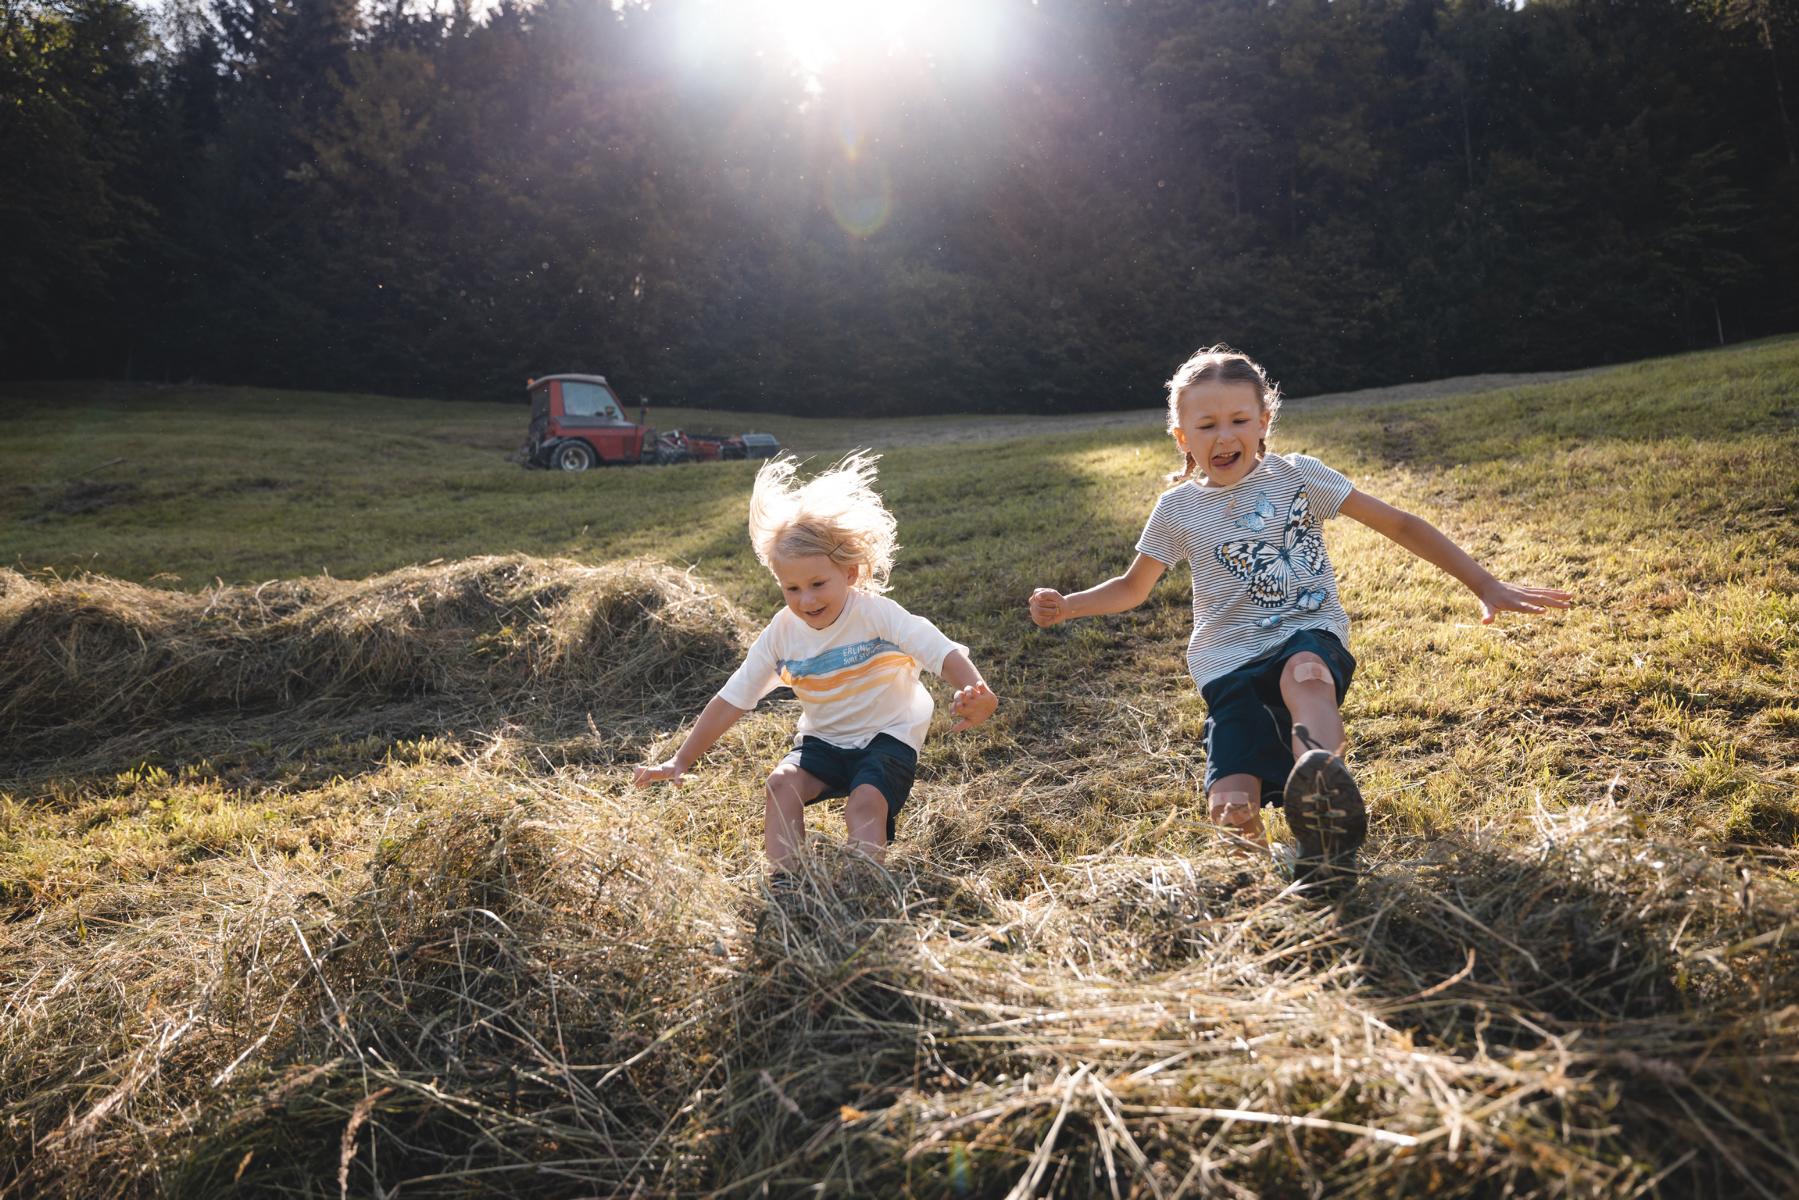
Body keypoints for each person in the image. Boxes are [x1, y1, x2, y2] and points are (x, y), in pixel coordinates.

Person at [1028, 346, 1570, 883]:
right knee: (1231, 807)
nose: (1225, 436)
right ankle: (1283, 888)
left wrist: (1484, 583)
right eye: (1207, 424)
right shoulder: (1178, 509)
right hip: (1226, 665)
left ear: (1264, 422)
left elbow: (1400, 524)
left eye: (1240, 419)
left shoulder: (1299, 477)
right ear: (1182, 437)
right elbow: (1132, 586)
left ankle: (1321, 784)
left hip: (1303, 631)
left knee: (1306, 673)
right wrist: (1069, 606)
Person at [634, 451, 998, 874]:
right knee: (780, 785)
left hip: (888, 736)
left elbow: (938, 648)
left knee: (865, 801)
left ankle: (863, 882)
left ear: (851, 573)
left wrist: (975, 690)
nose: (806, 600)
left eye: (817, 583)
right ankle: (788, 884)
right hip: (824, 740)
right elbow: (733, 698)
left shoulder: (878, 615)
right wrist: (681, 760)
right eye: (791, 588)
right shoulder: (782, 634)